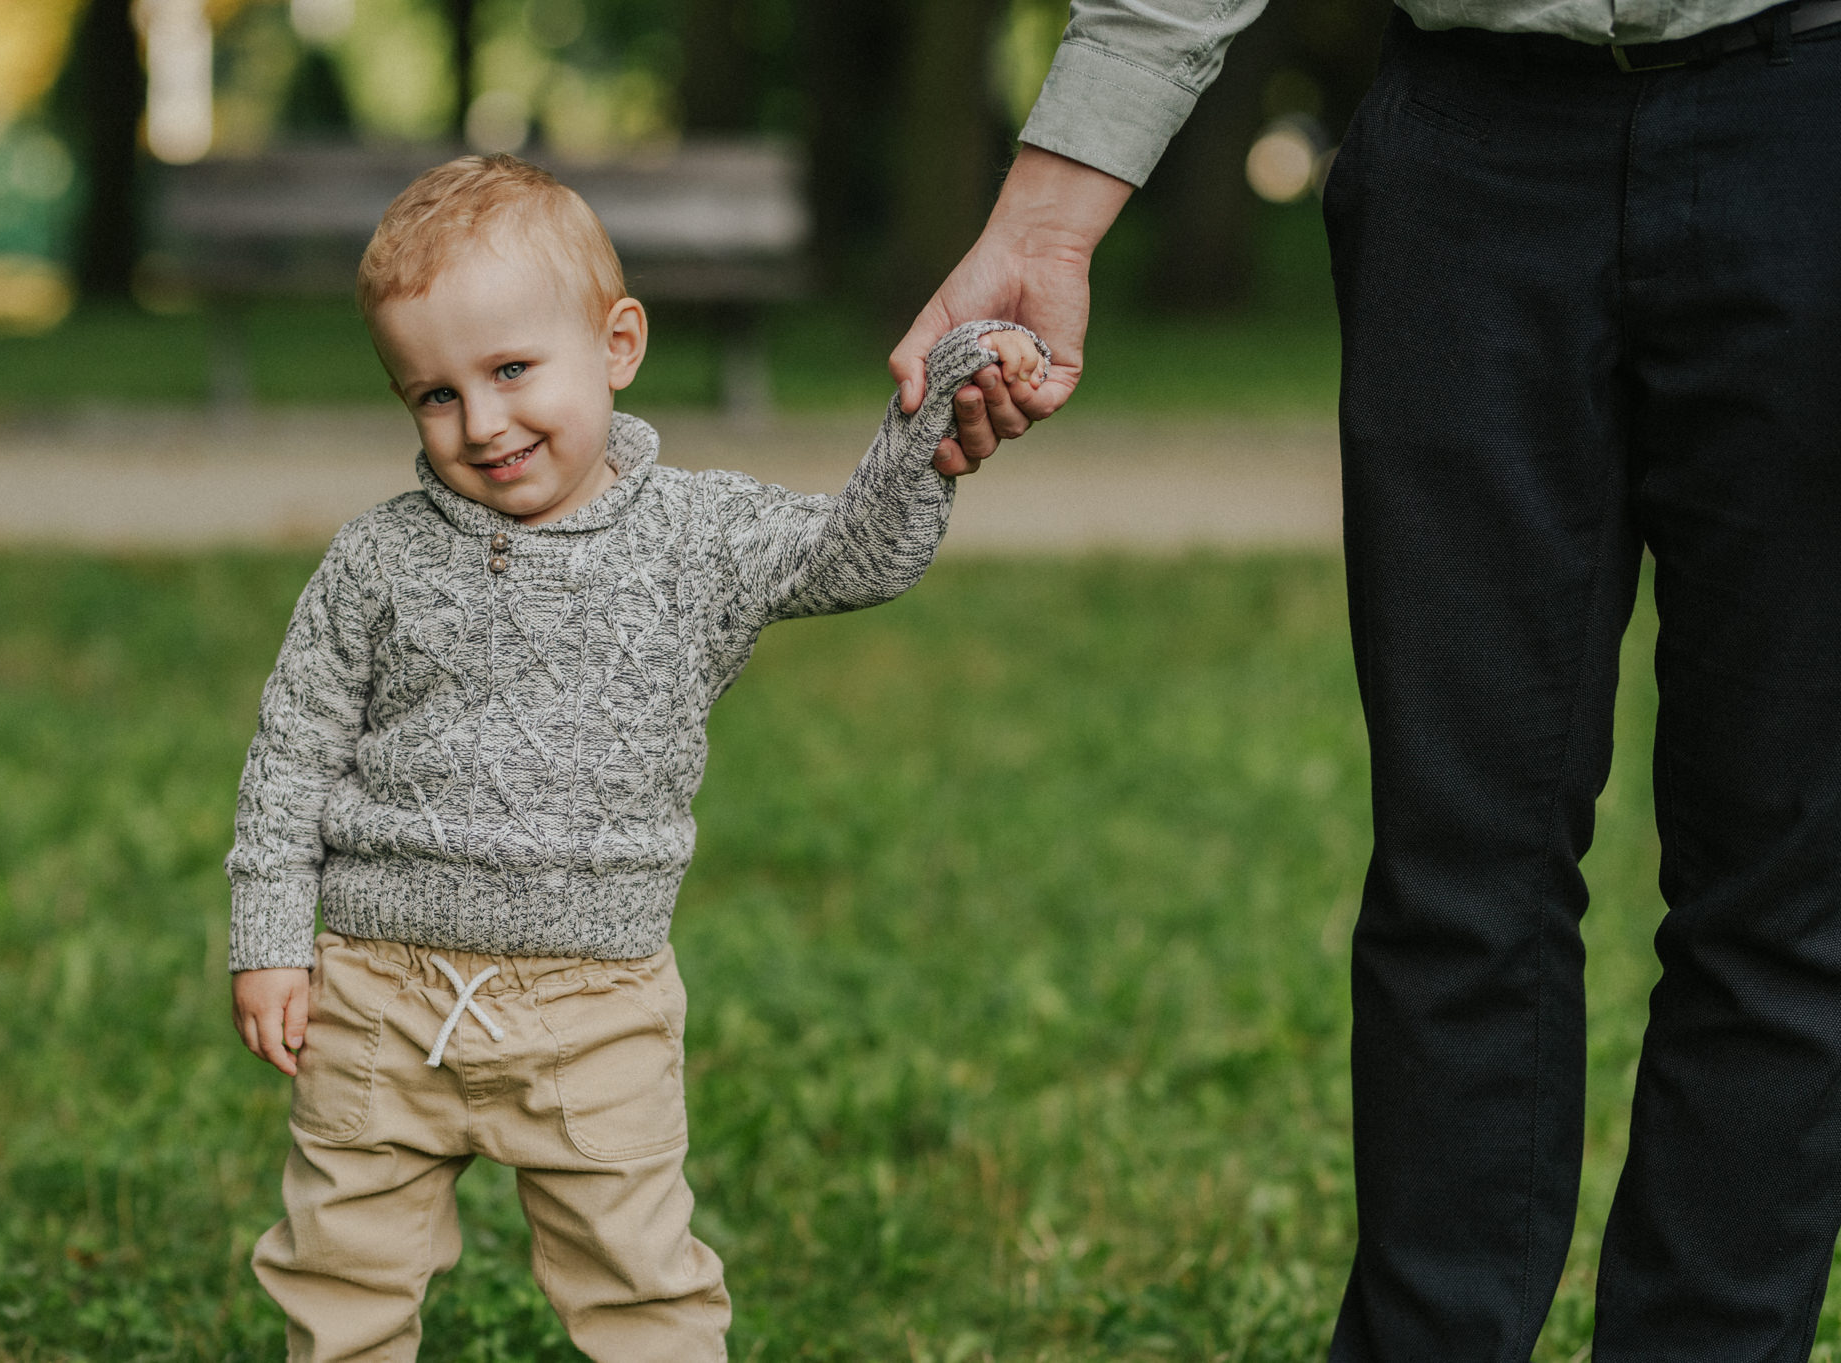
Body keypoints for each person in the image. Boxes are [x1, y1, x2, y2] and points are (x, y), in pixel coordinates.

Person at [891, 2, 1841, 1360]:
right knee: (1462, 870)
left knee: (1785, 884)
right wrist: (1048, 219)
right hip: (1471, 149)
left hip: (1811, 117)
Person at [223, 152, 1045, 1363]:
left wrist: (931, 417)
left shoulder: (697, 536)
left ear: (617, 345)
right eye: (433, 395)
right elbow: (290, 758)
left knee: (641, 1285)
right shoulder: (374, 562)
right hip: (377, 996)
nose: (482, 422)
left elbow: (852, 554)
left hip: (591, 1006)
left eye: (511, 371)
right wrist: (269, 940)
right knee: (339, 1272)